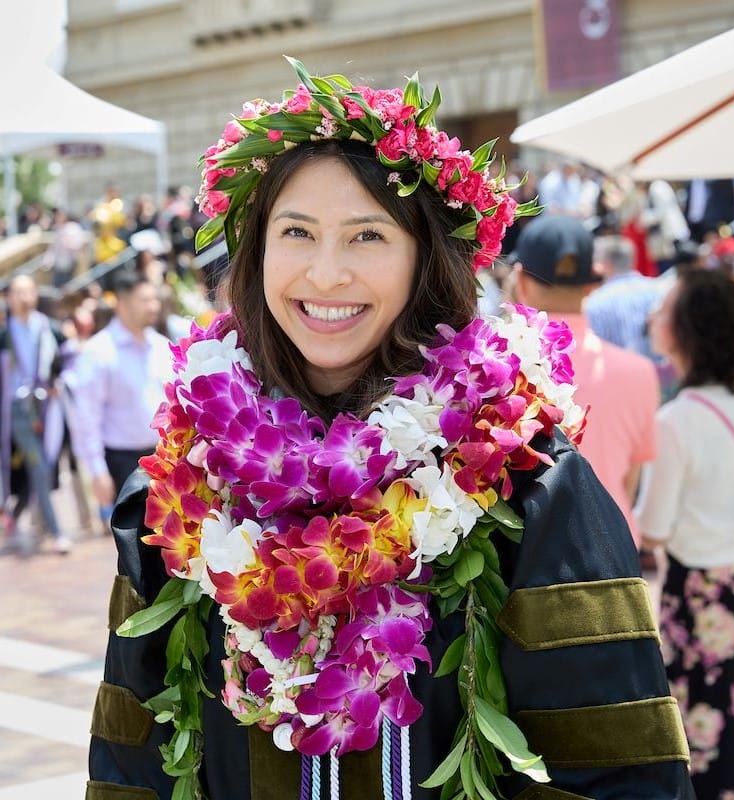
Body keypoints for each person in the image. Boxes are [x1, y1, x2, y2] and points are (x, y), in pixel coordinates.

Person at [87, 60, 694, 800]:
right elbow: (132, 767)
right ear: (257, 252)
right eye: (297, 232)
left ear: (422, 259)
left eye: (367, 236)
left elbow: (614, 769)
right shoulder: (186, 483)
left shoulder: (524, 482)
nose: (327, 273)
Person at [635, 268, 734, 798]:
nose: (653, 317)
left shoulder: (679, 420)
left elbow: (654, 529)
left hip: (703, 597)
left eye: (664, 309)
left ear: (685, 329)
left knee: (707, 734)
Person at [511, 216, 660, 551]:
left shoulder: (504, 366)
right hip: (615, 549)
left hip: (530, 559)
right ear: (592, 284)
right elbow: (630, 478)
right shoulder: (639, 371)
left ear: (521, 279)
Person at [69, 272, 173, 527]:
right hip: (123, 463)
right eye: (145, 300)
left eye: (154, 299)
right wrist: (97, 471)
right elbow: (86, 417)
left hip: (165, 456)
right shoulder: (99, 351)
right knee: (133, 546)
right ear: (122, 304)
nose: (153, 306)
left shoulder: (162, 346)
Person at [0, 275, 70, 554]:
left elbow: (71, 359)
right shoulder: (5, 334)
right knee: (39, 467)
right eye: (19, 292)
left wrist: (57, 382)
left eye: (29, 291)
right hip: (18, 411)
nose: (25, 297)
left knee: (42, 468)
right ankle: (56, 531)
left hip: (48, 408)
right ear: (9, 298)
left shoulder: (49, 329)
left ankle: (16, 517)